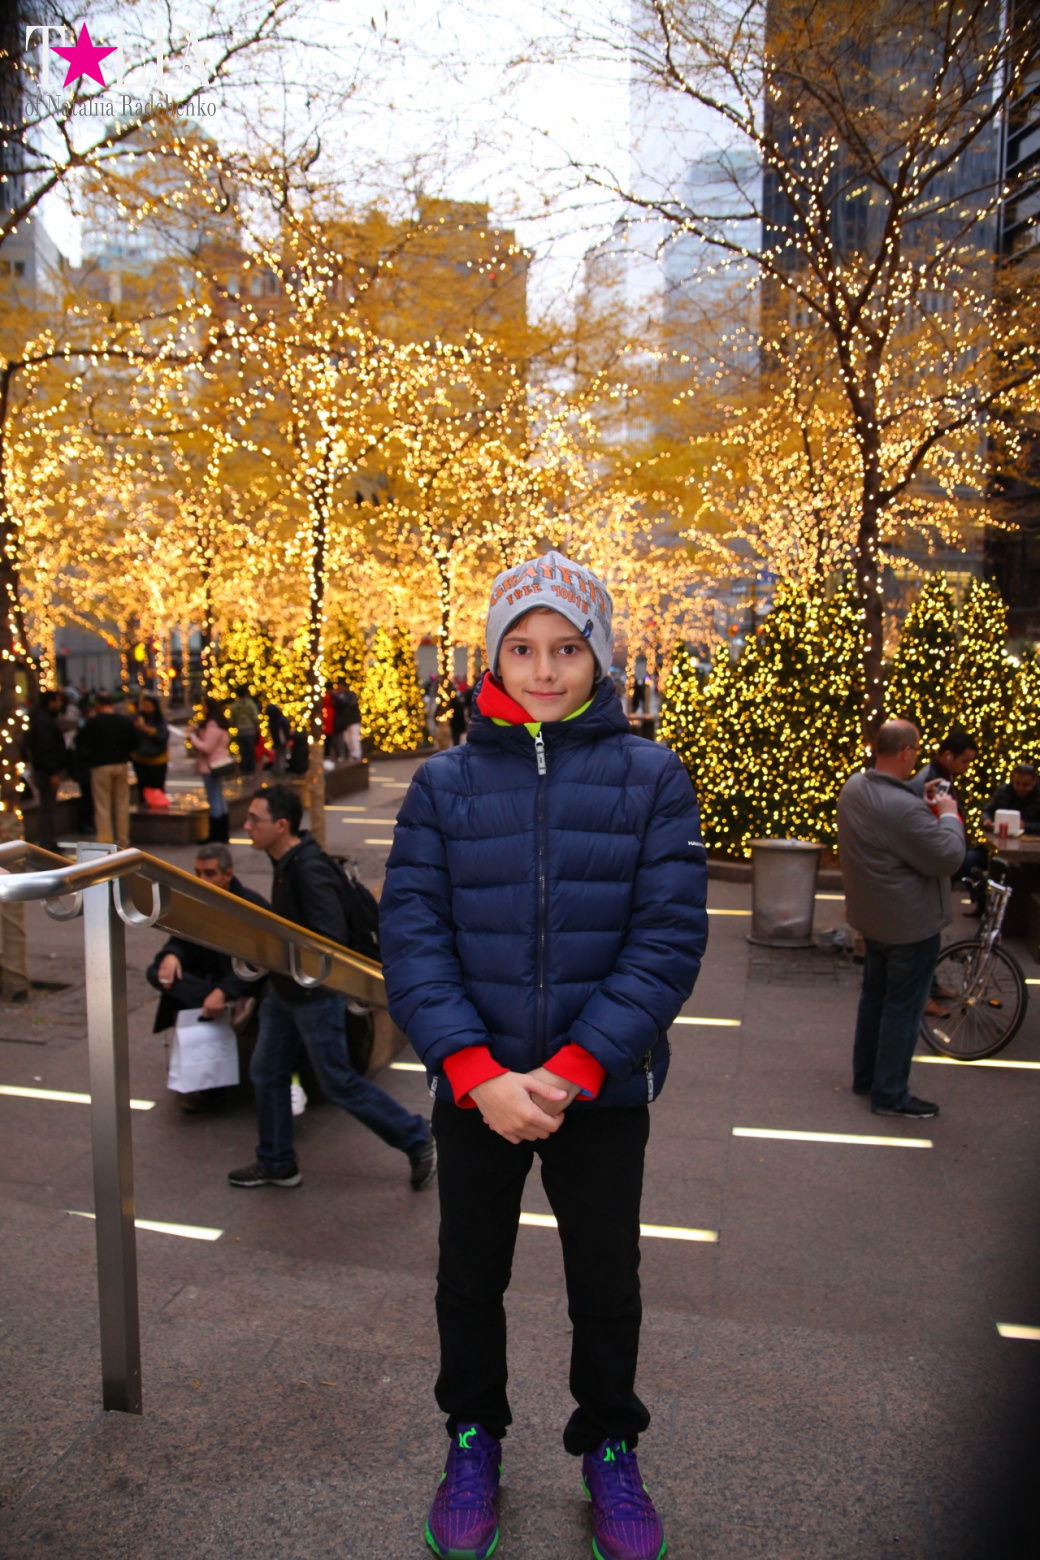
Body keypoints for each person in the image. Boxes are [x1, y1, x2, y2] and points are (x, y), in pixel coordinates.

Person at [379, 550, 709, 1560]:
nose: (543, 669)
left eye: (566, 648)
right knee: (467, 1276)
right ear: (493, 655)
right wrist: (473, 1073)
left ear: (598, 656)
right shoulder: (442, 784)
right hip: (475, 1088)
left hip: (597, 1091)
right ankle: (471, 1437)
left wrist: (571, 1069)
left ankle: (609, 1442)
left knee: (604, 1279)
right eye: (520, 648)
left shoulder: (651, 778)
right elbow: (412, 934)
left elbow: (665, 938)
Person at [228, 784, 436, 1192]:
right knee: (267, 1071)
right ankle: (276, 1160)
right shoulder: (286, 861)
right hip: (285, 990)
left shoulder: (308, 868)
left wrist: (278, 956)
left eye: (255, 819)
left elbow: (328, 938)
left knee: (338, 1080)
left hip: (310, 995)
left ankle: (416, 1137)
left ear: (281, 825)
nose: (247, 825)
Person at [837, 718, 965, 1121]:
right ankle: (890, 1093)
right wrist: (948, 814)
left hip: (873, 917)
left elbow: (890, 807)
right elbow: (948, 856)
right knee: (902, 1010)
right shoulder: (905, 810)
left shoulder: (856, 787)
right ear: (907, 752)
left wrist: (916, 793)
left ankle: (867, 1077)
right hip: (909, 924)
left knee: (874, 1000)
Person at [146, 843, 268, 1111]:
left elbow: (259, 964)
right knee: (157, 972)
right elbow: (181, 940)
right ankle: (220, 1003)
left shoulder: (250, 905)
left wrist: (224, 990)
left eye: (210, 873)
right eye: (198, 873)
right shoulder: (197, 902)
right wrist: (172, 954)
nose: (202, 880)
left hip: (239, 981)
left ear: (228, 874)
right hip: (206, 981)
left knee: (204, 991)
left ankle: (223, 1001)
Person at [909, 724, 987, 913]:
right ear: (949, 756)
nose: (967, 767)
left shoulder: (940, 775)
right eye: (964, 761)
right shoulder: (933, 779)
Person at [79, 691, 136, 848]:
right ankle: (123, 839)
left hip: (100, 766)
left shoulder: (93, 723)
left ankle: (105, 840)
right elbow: (134, 743)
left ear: (98, 705)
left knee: (102, 805)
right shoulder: (124, 721)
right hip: (122, 764)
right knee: (122, 803)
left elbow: (82, 744)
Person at [27, 690, 68, 852]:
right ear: (50, 702)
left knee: (47, 807)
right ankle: (46, 842)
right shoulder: (44, 722)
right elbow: (45, 749)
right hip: (46, 771)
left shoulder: (41, 720)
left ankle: (48, 840)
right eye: (57, 701)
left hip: (44, 769)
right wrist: (52, 772)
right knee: (47, 807)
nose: (59, 705)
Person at [189, 697, 232, 844]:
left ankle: (216, 835)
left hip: (211, 765)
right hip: (218, 763)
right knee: (218, 796)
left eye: (203, 706)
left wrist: (192, 737)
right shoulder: (219, 722)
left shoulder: (212, 724)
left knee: (214, 798)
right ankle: (222, 834)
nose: (202, 708)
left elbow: (207, 747)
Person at [982, 761, 1040, 836]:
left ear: (1034, 781)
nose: (1020, 788)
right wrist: (986, 820)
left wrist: (1026, 826)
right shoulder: (1003, 792)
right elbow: (987, 811)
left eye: (1025, 785)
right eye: (1017, 783)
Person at [131, 693, 170, 800]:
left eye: (149, 705)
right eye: (144, 705)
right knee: (143, 790)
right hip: (140, 760)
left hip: (157, 760)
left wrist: (148, 730)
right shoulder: (137, 718)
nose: (146, 708)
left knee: (157, 790)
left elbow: (162, 737)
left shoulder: (160, 720)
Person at [228, 685, 261, 777]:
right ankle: (251, 770)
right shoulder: (250, 704)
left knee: (243, 752)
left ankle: (245, 770)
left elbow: (231, 721)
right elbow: (255, 718)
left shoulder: (234, 706)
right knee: (250, 751)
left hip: (241, 731)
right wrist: (257, 728)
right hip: (250, 731)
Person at [266, 701, 291, 773]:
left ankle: (278, 770)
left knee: (279, 754)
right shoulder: (280, 719)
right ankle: (280, 770)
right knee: (280, 755)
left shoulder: (274, 720)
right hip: (280, 740)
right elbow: (285, 730)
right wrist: (287, 739)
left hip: (278, 740)